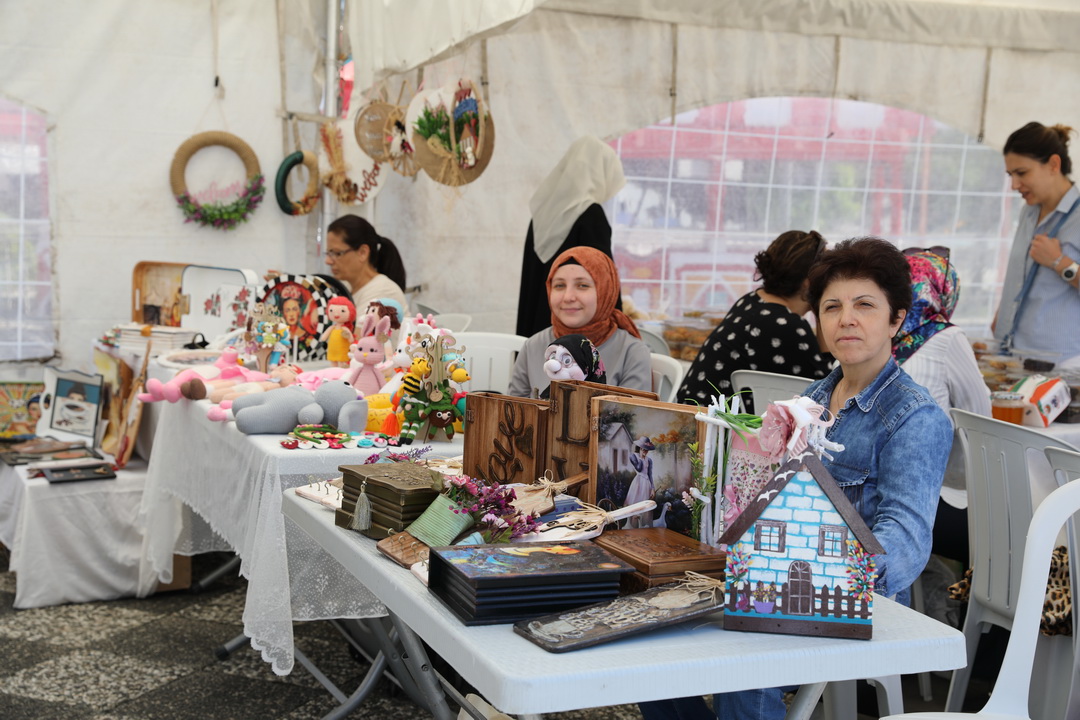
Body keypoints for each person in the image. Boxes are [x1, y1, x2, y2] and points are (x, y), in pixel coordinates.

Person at [641, 238, 952, 720]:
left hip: (853, 598)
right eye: (832, 307)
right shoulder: (811, 398)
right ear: (819, 321)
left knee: (748, 657)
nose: (846, 318)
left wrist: (824, 573)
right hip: (773, 578)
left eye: (864, 305)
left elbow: (905, 540)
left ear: (897, 318)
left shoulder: (915, 417)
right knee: (651, 629)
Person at [676, 230, 832, 412]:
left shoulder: (752, 300)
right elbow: (824, 390)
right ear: (808, 282)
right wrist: (823, 307)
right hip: (716, 431)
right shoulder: (788, 326)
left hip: (691, 415)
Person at [516, 136, 625, 338]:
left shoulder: (542, 214)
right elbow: (603, 278)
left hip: (537, 330)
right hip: (573, 334)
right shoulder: (591, 215)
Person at [509, 246, 651, 398]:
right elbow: (513, 411)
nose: (568, 297)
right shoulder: (533, 346)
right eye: (559, 285)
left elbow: (633, 418)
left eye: (582, 285)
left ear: (605, 291)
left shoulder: (631, 352)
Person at [994, 122, 1080, 361]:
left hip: (1061, 366)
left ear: (1054, 164)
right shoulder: (1028, 212)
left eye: (1022, 173)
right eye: (1010, 175)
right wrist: (1002, 318)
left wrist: (1060, 263)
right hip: (1011, 355)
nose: (1014, 185)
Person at [324, 214, 408, 316]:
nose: (328, 261)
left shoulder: (383, 292)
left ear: (362, 253)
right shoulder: (346, 287)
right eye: (329, 253)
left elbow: (351, 332)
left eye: (337, 253)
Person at [625, 436, 656, 527]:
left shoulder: (649, 460)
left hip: (646, 484)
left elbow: (650, 474)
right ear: (640, 448)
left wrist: (652, 488)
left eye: (647, 450)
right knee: (635, 504)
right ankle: (632, 527)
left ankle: (643, 527)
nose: (645, 452)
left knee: (645, 507)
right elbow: (639, 469)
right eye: (644, 449)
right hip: (638, 483)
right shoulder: (633, 456)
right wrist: (641, 458)